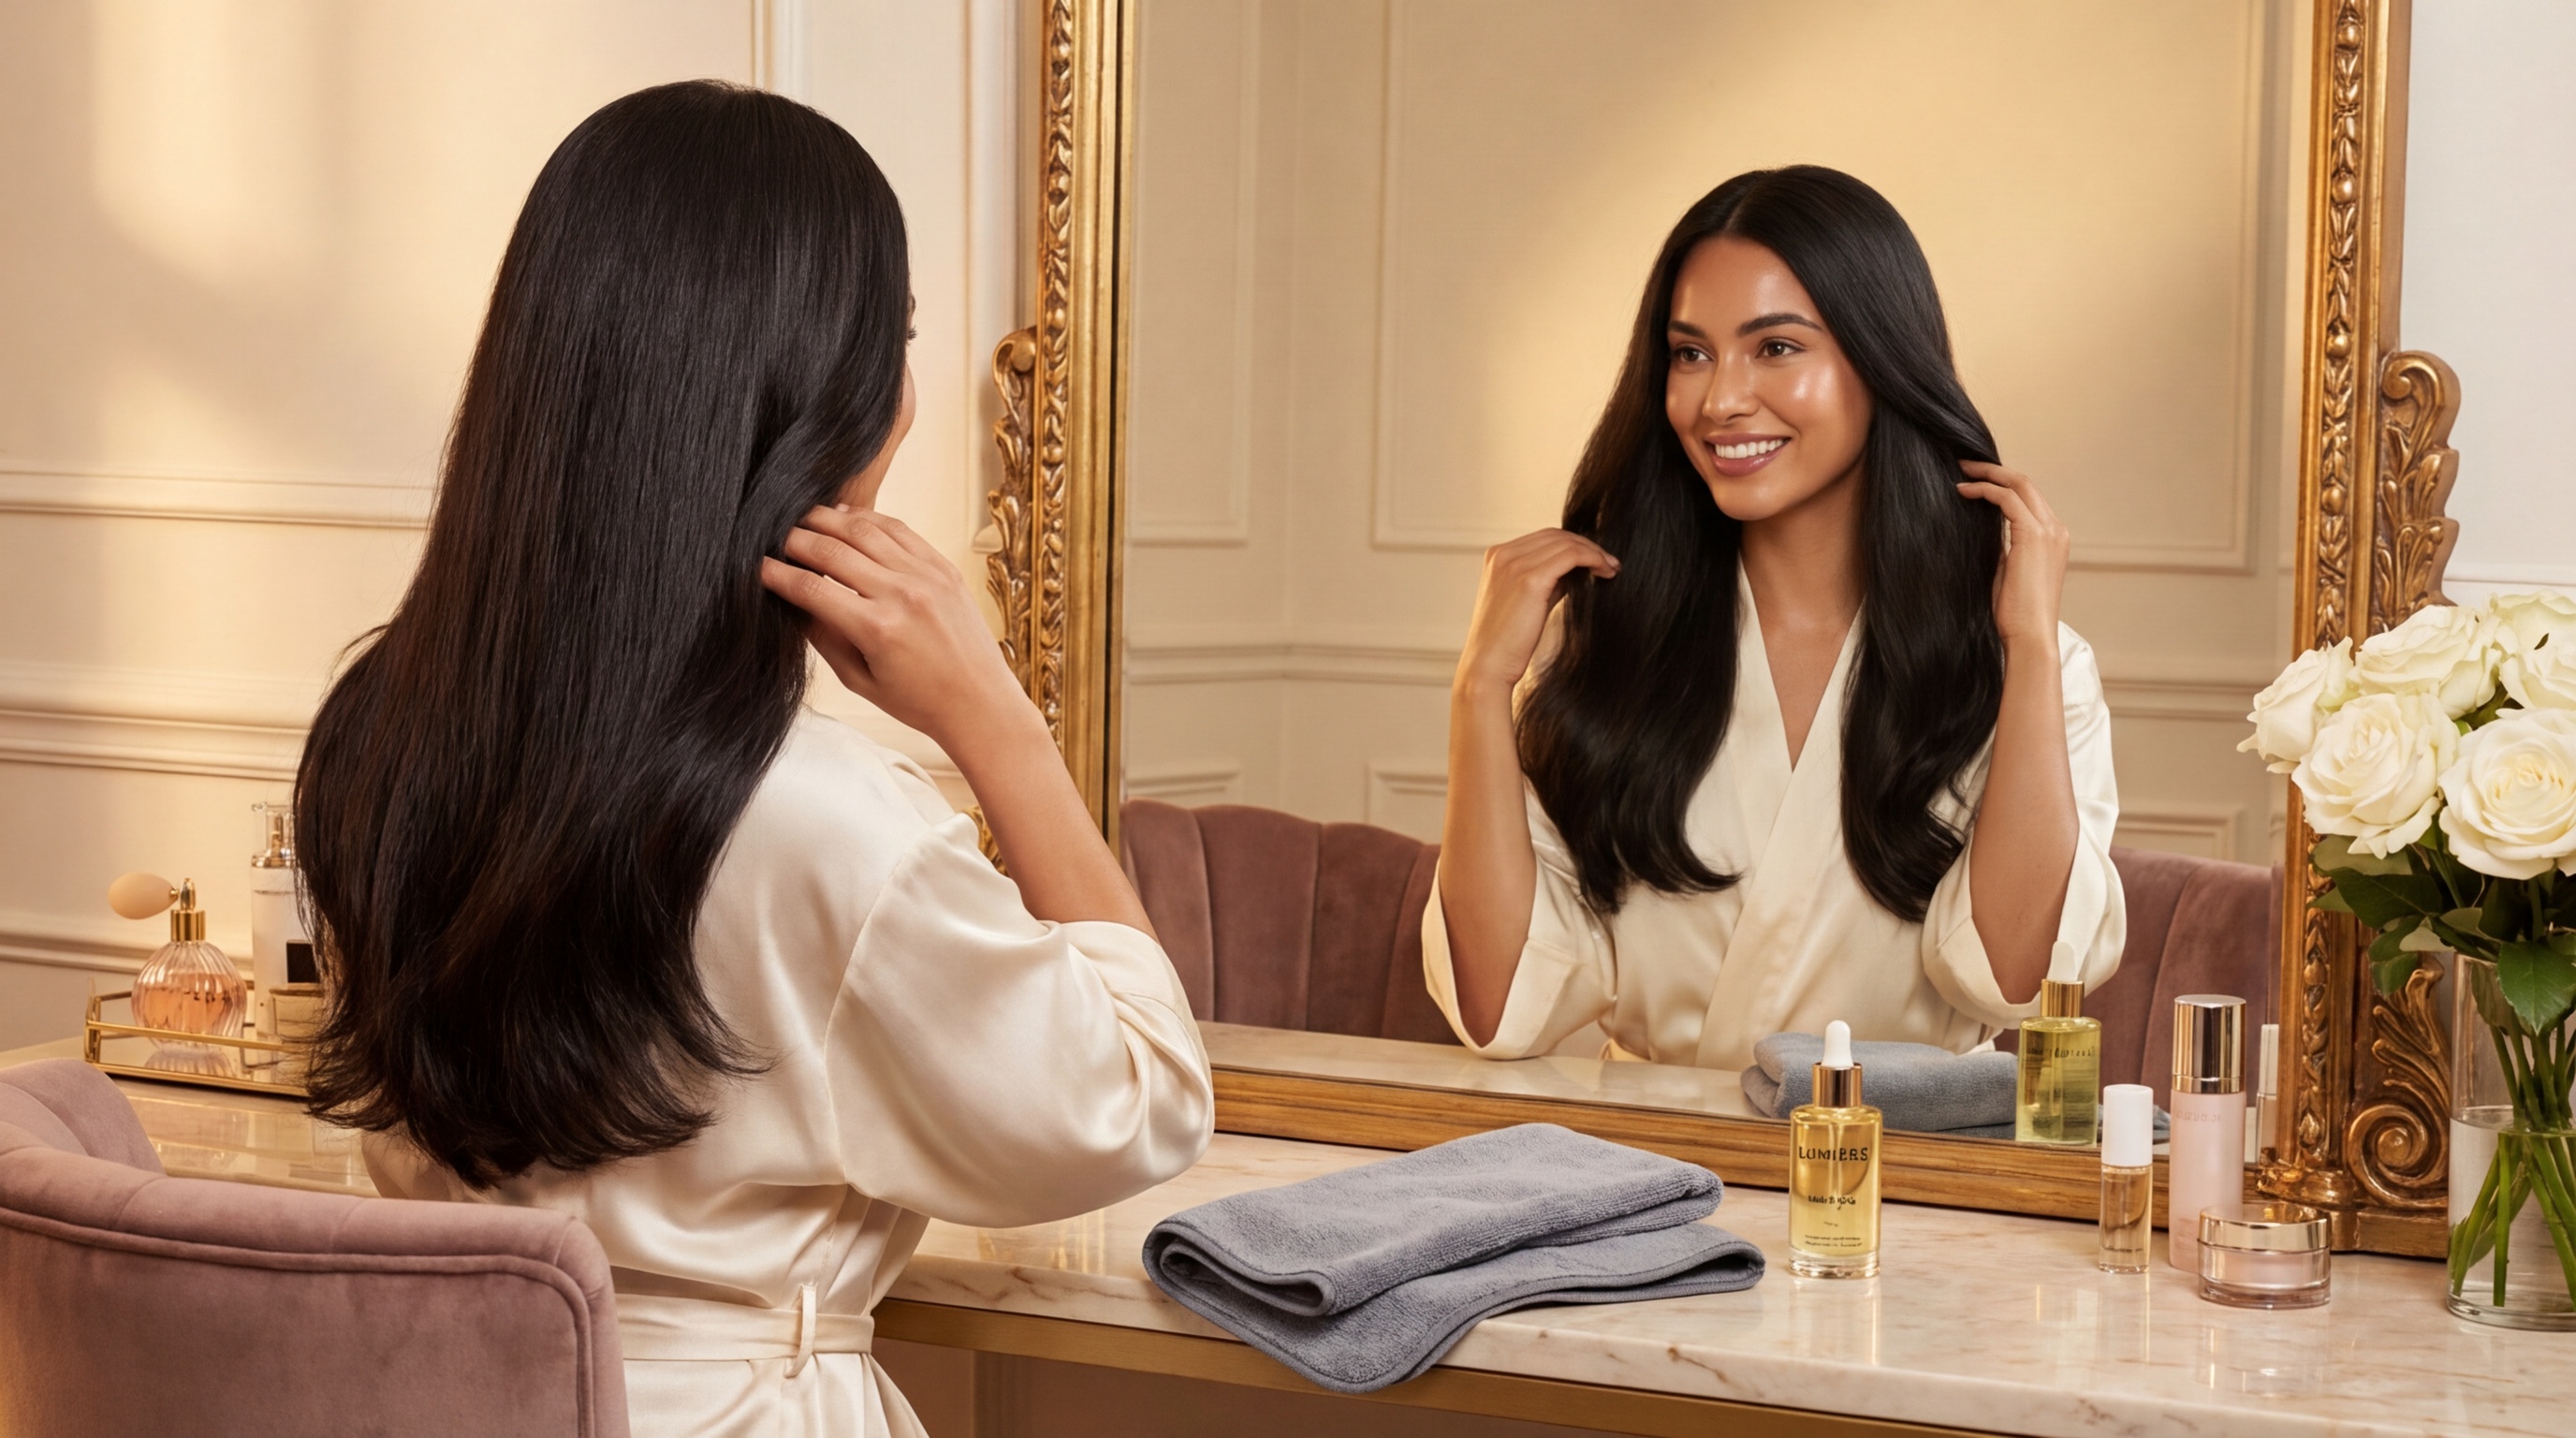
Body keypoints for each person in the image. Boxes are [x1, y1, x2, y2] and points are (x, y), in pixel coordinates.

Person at [293, 81, 1211, 1438]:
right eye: (895, 345)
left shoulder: (373, 744)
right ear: (819, 405)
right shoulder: (831, 825)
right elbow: (1140, 1102)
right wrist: (998, 724)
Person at [1428, 166, 2123, 1073]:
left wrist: (2027, 646)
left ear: (1881, 360)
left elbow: (2013, 979)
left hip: (1902, 1155)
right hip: (1651, 1157)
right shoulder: (1604, 643)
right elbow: (1498, 1010)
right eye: (1690, 354)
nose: (1720, 399)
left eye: (1776, 348)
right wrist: (1480, 687)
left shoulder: (2024, 665)